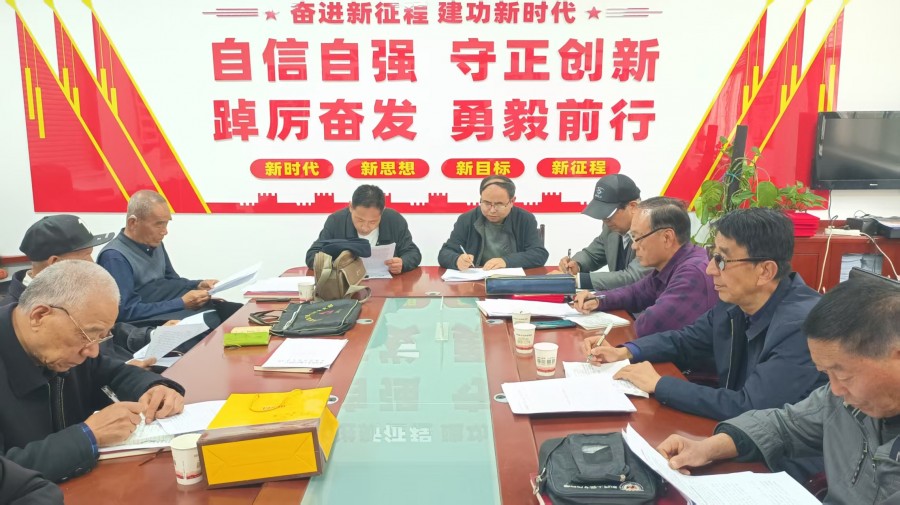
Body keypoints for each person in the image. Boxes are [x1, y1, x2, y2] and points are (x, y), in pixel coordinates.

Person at [656, 277, 900, 504]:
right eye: (827, 374)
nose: (835, 389)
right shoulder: (840, 400)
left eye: (844, 375)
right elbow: (785, 425)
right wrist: (708, 448)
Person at [582, 208, 826, 420]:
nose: (710, 269)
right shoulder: (734, 303)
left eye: (722, 260)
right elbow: (685, 340)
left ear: (765, 271)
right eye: (712, 255)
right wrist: (625, 351)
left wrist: (659, 384)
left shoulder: (802, 326)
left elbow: (750, 406)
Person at [0, 261, 185, 483]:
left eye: (102, 337)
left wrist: (154, 387)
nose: (93, 351)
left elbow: (111, 373)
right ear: (39, 316)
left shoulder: (64, 350)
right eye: (88, 335)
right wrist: (87, 436)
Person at [0, 215, 165, 361]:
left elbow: (106, 331)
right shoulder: (19, 319)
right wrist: (125, 370)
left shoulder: (72, 290)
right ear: (55, 263)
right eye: (85, 256)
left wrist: (151, 335)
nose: (92, 263)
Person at [573, 197, 717, 337]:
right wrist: (598, 299)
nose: (634, 246)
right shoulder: (670, 264)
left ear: (667, 238)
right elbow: (635, 293)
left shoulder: (693, 273)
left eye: (637, 237)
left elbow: (649, 325)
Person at [97, 190, 239, 325]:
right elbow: (126, 311)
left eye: (166, 223)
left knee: (230, 310)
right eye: (159, 224)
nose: (165, 232)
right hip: (143, 323)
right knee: (210, 322)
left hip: (166, 308)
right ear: (133, 223)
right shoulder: (115, 257)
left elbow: (172, 281)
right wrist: (181, 303)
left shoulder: (155, 243)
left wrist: (197, 285)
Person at [556, 174, 651, 290]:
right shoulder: (610, 227)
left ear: (633, 207)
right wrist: (576, 264)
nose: (604, 220)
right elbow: (592, 255)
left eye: (608, 214)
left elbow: (632, 277)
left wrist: (578, 280)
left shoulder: (652, 231)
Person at [438, 175, 549, 270]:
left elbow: (539, 254)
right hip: (477, 281)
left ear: (512, 201)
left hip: (513, 281)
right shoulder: (467, 219)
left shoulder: (524, 219)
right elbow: (444, 253)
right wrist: (457, 260)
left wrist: (506, 261)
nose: (492, 210)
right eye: (486, 203)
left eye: (499, 204)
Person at [305, 184, 422, 274]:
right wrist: (335, 265)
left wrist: (402, 263)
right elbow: (312, 256)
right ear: (351, 207)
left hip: (388, 285)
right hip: (347, 287)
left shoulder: (394, 220)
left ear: (382, 212)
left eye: (373, 222)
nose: (365, 227)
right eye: (360, 220)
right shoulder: (336, 221)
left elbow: (413, 253)